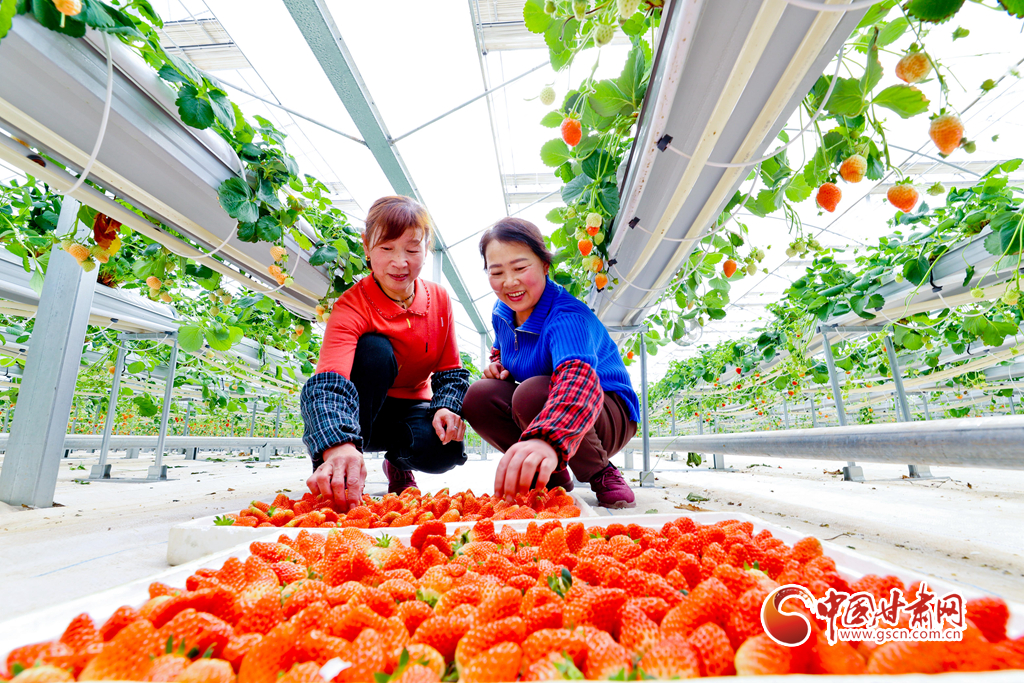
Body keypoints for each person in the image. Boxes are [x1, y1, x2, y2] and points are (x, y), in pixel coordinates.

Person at [300, 196, 470, 509]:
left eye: (412, 249)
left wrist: (447, 407)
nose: (400, 262)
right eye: (386, 248)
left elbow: (451, 372)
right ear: (366, 247)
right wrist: (338, 445)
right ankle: (339, 466)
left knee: (444, 450)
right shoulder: (351, 306)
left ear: (426, 248)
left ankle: (399, 465)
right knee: (375, 351)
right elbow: (327, 383)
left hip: (409, 411)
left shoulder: (440, 300)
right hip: (360, 412)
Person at [462, 218, 639, 508]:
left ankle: (600, 471)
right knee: (479, 395)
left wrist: (545, 438)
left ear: (545, 265)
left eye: (520, 268)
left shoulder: (567, 316)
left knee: (532, 394)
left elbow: (578, 380)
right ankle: (551, 475)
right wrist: (498, 364)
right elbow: (502, 347)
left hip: (606, 411)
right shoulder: (502, 311)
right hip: (550, 408)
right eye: (497, 272)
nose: (509, 282)